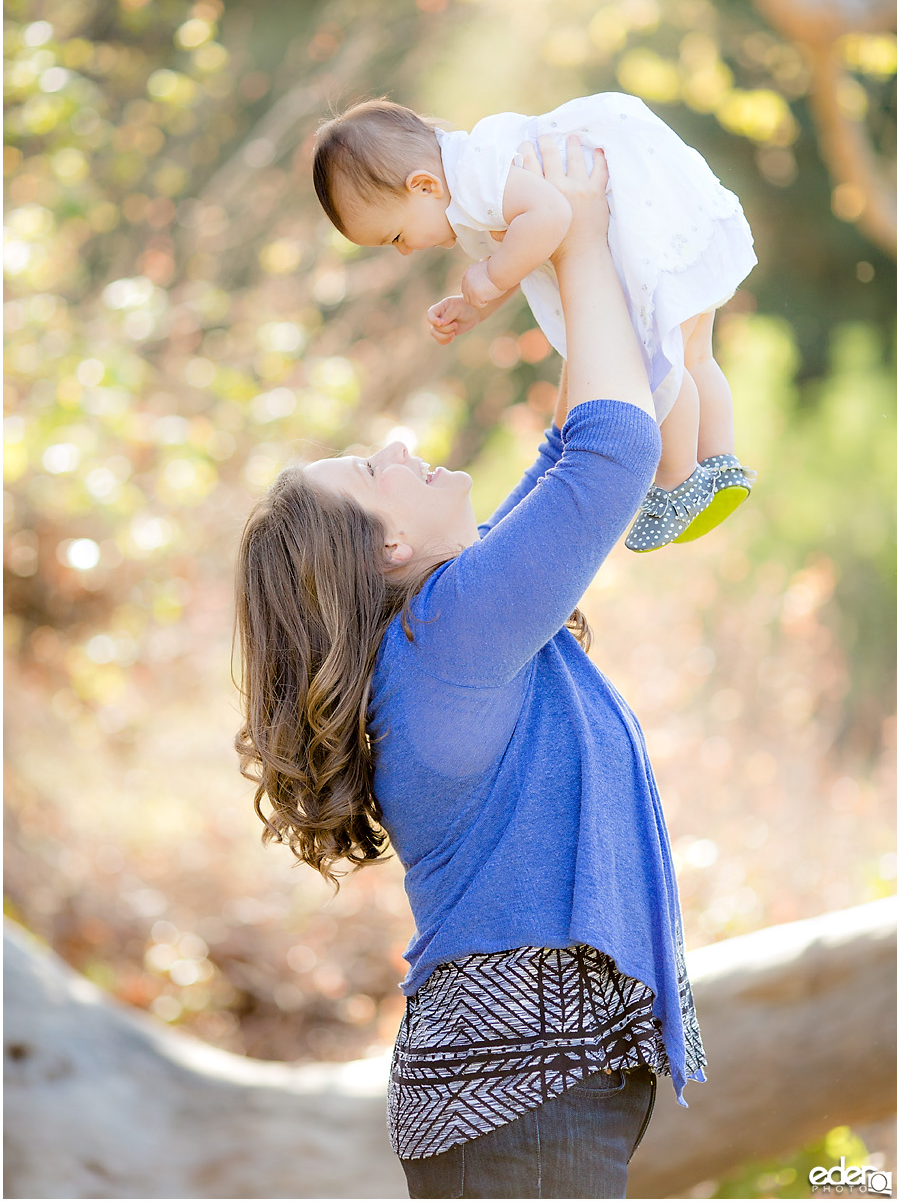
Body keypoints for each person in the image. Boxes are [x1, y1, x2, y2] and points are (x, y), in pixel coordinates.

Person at [235, 140, 707, 1199]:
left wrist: (569, 253)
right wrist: (576, 234)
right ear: (385, 554)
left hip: (525, 1085)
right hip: (521, 1090)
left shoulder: (450, 635)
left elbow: (570, 454)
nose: (398, 447)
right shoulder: (449, 638)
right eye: (373, 470)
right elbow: (610, 455)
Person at [312, 94, 757, 552]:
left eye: (398, 236)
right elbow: (528, 245)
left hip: (639, 218)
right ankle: (720, 461)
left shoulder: (475, 178)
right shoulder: (473, 171)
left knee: (657, 363)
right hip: (662, 208)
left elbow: (552, 215)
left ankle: (678, 481)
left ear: (424, 186)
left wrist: (492, 273)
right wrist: (478, 304)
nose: (406, 250)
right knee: (696, 352)